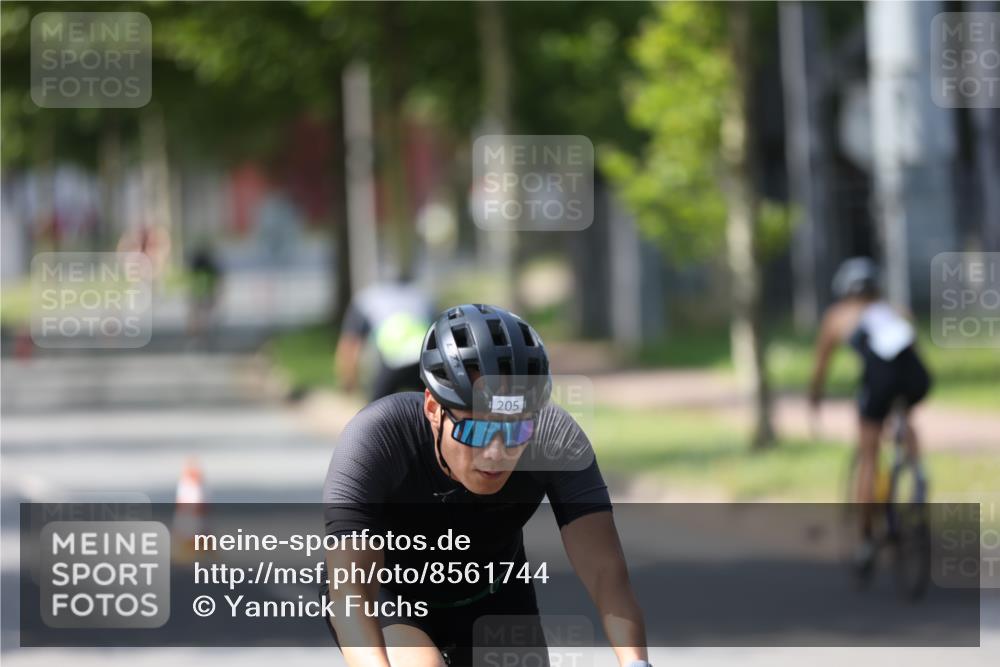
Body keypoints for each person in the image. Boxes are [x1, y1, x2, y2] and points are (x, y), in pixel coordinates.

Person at [322, 304, 650, 667]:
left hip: (495, 596)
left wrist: (636, 663)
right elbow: (350, 590)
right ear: (433, 408)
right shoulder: (377, 437)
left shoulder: (554, 438)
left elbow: (606, 570)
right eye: (475, 430)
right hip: (390, 598)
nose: (496, 453)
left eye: (514, 429)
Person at [809, 257, 932, 569]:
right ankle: (917, 471)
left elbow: (821, 366)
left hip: (878, 383)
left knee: (868, 455)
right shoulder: (894, 310)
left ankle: (865, 540)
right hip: (916, 378)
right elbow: (911, 349)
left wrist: (815, 398)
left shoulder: (838, 316)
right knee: (905, 414)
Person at [335, 282, 436, 402]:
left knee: (376, 412)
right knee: (435, 407)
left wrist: (349, 382)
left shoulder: (364, 300)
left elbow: (350, 345)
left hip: (394, 358)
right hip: (423, 357)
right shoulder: (420, 295)